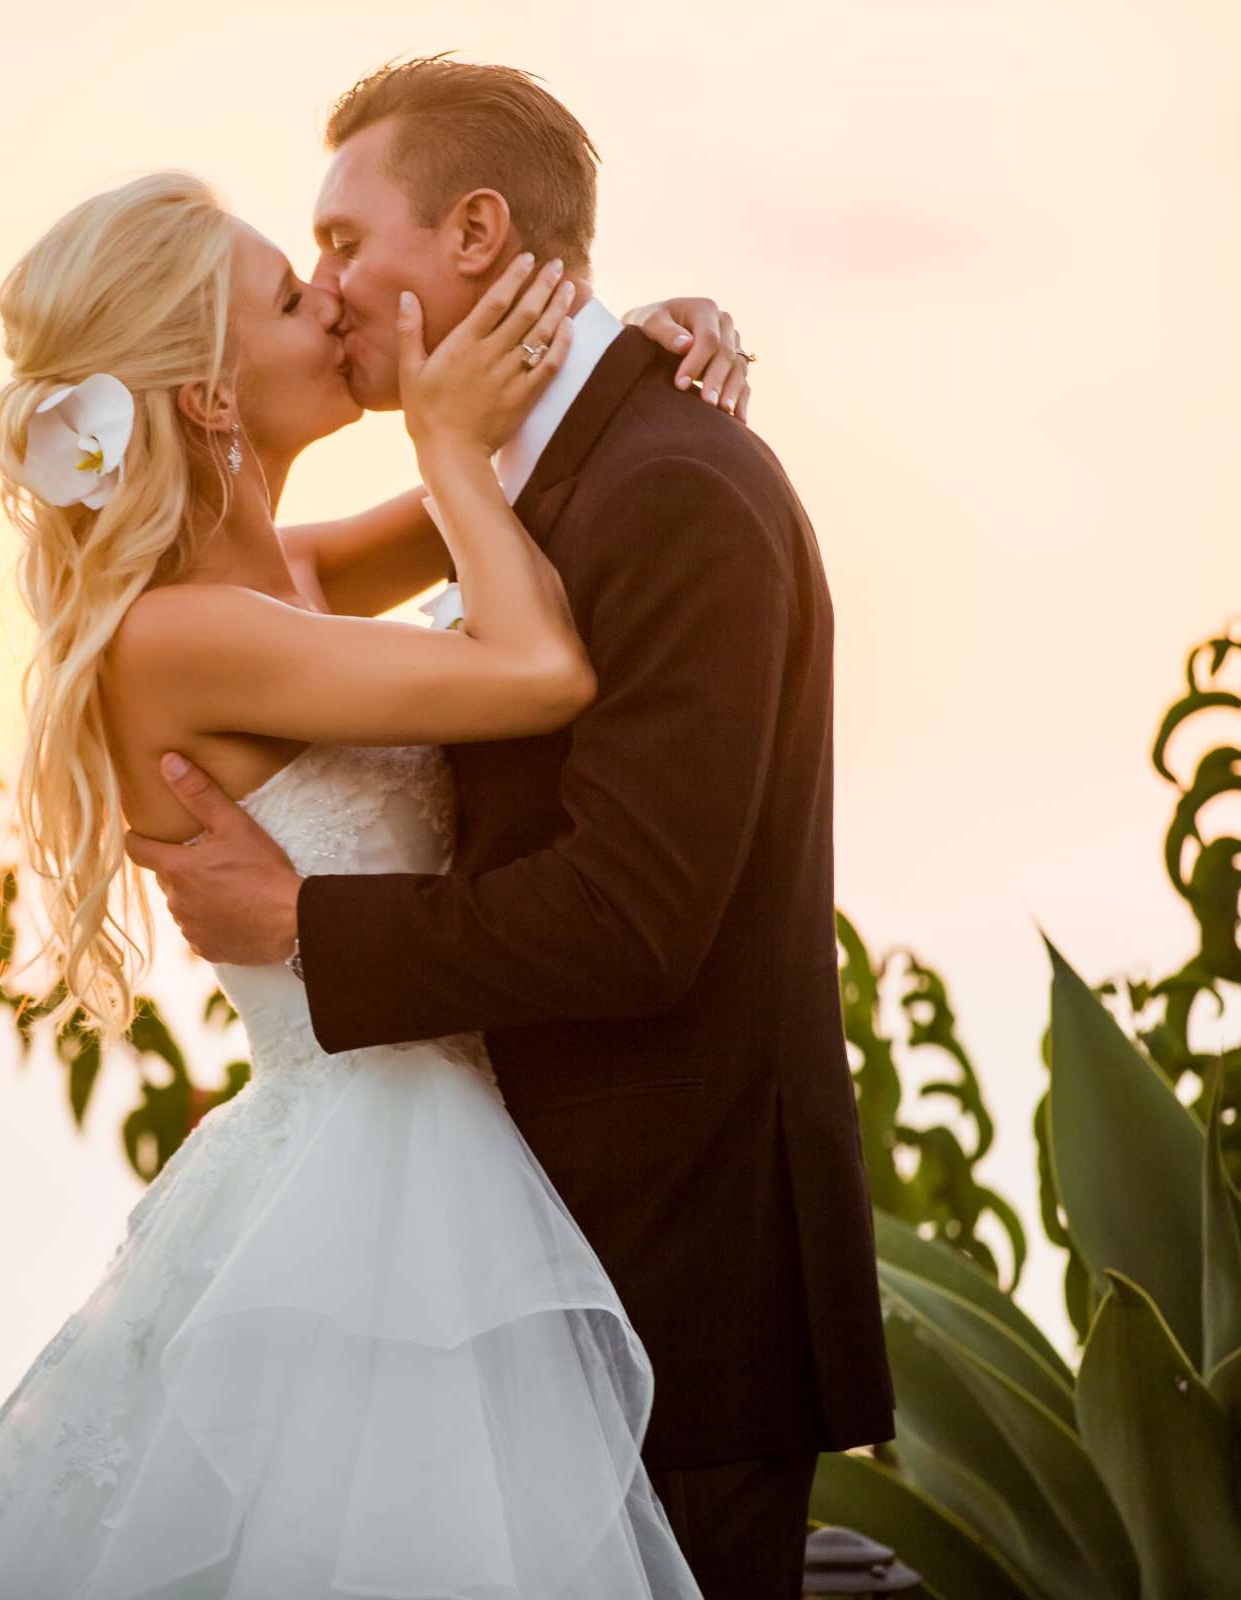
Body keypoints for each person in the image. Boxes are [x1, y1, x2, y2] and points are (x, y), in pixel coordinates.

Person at [0, 161, 756, 1598]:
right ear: (211, 396)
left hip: (439, 1142)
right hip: (377, 1181)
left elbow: (542, 473)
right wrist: (456, 459)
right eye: (291, 296)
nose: (331, 299)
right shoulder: (180, 636)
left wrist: (633, 342)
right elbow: (537, 669)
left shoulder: (289, 573)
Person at [127, 58, 897, 1600]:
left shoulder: (667, 487)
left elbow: (635, 916)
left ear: (477, 232)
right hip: (492, 1266)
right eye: (309, 269)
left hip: (676, 1284)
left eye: (343, 245)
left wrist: (301, 930)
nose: (331, 293)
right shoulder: (536, 478)